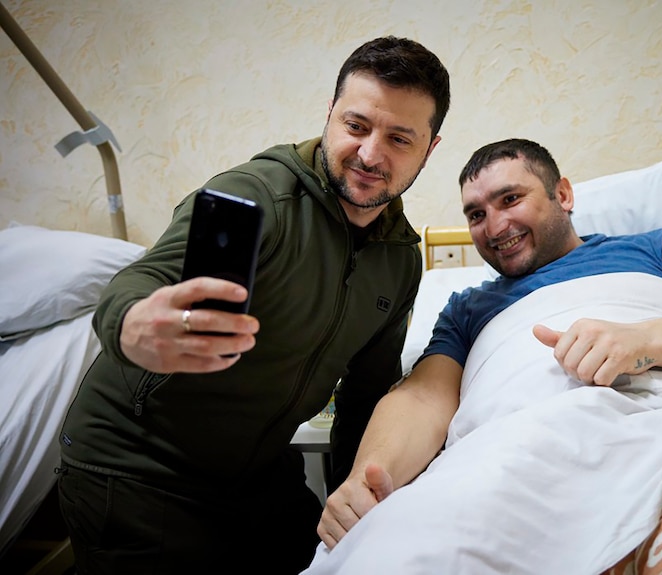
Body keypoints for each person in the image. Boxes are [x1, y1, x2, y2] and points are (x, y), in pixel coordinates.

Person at [312, 139, 662, 573]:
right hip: (517, 449)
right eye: (476, 214)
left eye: (510, 198)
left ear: (563, 193)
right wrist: (368, 477)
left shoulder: (660, 248)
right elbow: (423, 399)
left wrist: (643, 342)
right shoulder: (469, 307)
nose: (494, 227)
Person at [57, 36, 450, 574]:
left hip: (256, 473)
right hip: (138, 467)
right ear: (330, 115)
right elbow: (143, 281)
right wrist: (131, 324)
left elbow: (364, 400)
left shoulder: (399, 257)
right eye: (356, 126)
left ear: (429, 149)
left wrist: (357, 502)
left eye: (400, 138)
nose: (370, 153)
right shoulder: (256, 197)